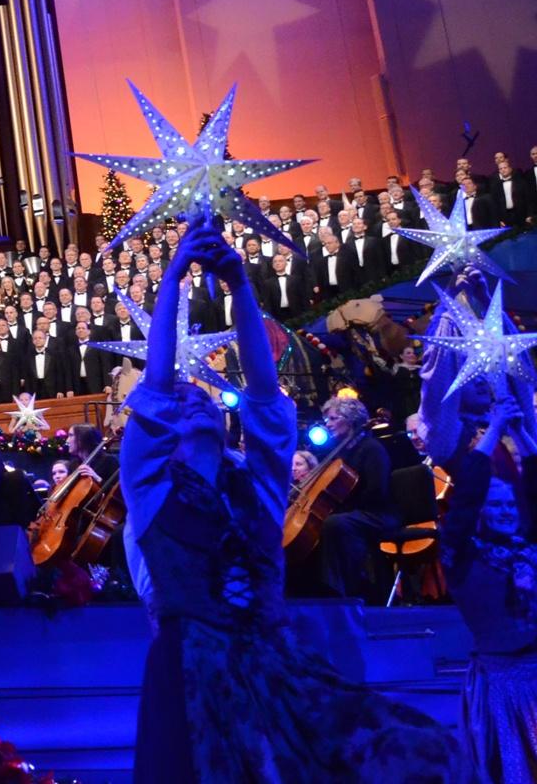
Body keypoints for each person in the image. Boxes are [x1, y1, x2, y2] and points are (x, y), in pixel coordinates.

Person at [123, 214, 461, 782]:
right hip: (187, 673)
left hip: (271, 666)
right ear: (161, 435)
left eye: (201, 398)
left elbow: (261, 389)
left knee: (424, 752)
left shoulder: (256, 485)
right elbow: (155, 381)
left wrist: (241, 285)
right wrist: (176, 271)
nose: (192, 399)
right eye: (177, 402)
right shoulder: (151, 487)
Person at [423, 323, 537, 780]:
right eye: (498, 505)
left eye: (512, 505)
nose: (506, 512)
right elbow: (468, 492)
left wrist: (519, 432)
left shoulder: (528, 547)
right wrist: (491, 431)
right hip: (504, 689)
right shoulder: (463, 554)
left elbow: (535, 487)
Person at [314, 395, 398, 601]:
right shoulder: (339, 451)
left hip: (379, 514)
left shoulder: (371, 449)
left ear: (350, 420)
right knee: (328, 524)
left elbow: (377, 492)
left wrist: (342, 508)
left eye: (333, 419)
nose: (328, 424)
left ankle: (348, 590)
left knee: (336, 523)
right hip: (356, 513)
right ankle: (318, 587)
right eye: (327, 420)